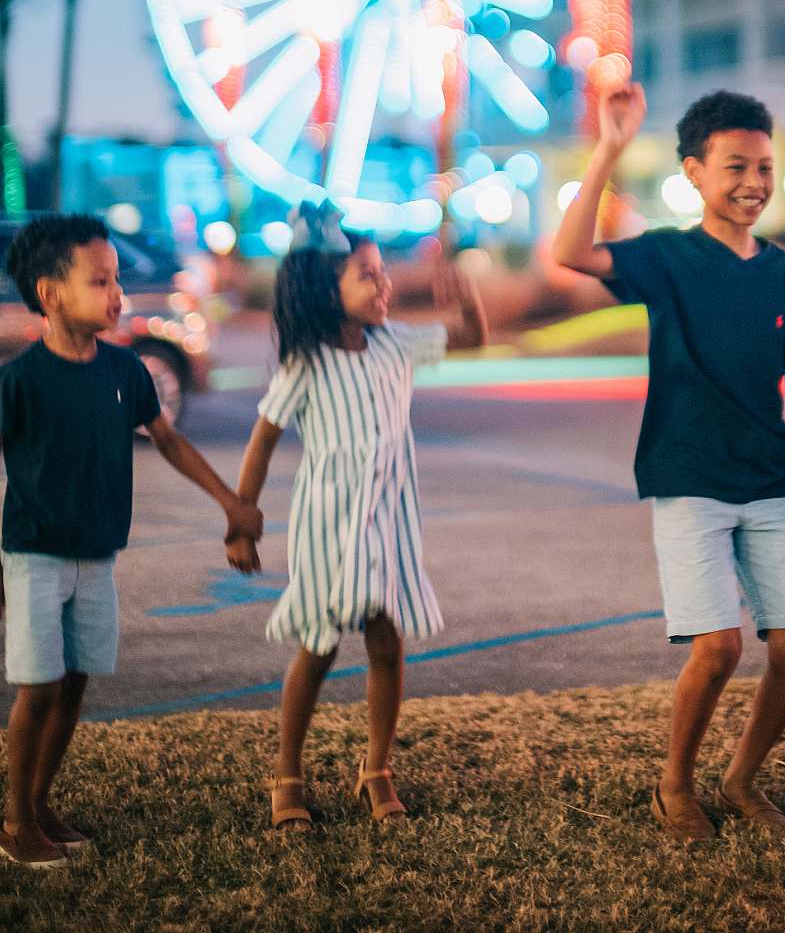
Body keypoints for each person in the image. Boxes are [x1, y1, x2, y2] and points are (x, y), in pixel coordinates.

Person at [552, 83, 785, 842]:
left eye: (765, 167)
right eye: (736, 167)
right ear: (694, 172)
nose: (754, 183)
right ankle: (675, 785)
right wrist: (609, 147)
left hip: (769, 483)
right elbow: (568, 252)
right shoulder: (667, 256)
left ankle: (741, 779)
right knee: (717, 647)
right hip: (688, 477)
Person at [0, 214, 263, 869]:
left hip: (97, 552)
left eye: (116, 279)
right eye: (100, 281)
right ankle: (15, 820)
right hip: (34, 553)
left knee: (76, 680)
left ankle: (40, 802)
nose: (117, 293)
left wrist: (230, 502)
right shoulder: (20, 380)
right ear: (50, 293)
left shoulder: (125, 368)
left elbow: (167, 440)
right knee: (39, 684)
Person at [226, 224, 487, 833]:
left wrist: (466, 299)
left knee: (386, 641)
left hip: (389, 519)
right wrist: (243, 523)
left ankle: (377, 768)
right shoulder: (306, 363)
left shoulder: (395, 343)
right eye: (366, 275)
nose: (383, 284)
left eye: (382, 272)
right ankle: (287, 772)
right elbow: (262, 440)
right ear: (326, 290)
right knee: (317, 646)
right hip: (328, 526)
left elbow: (472, 337)